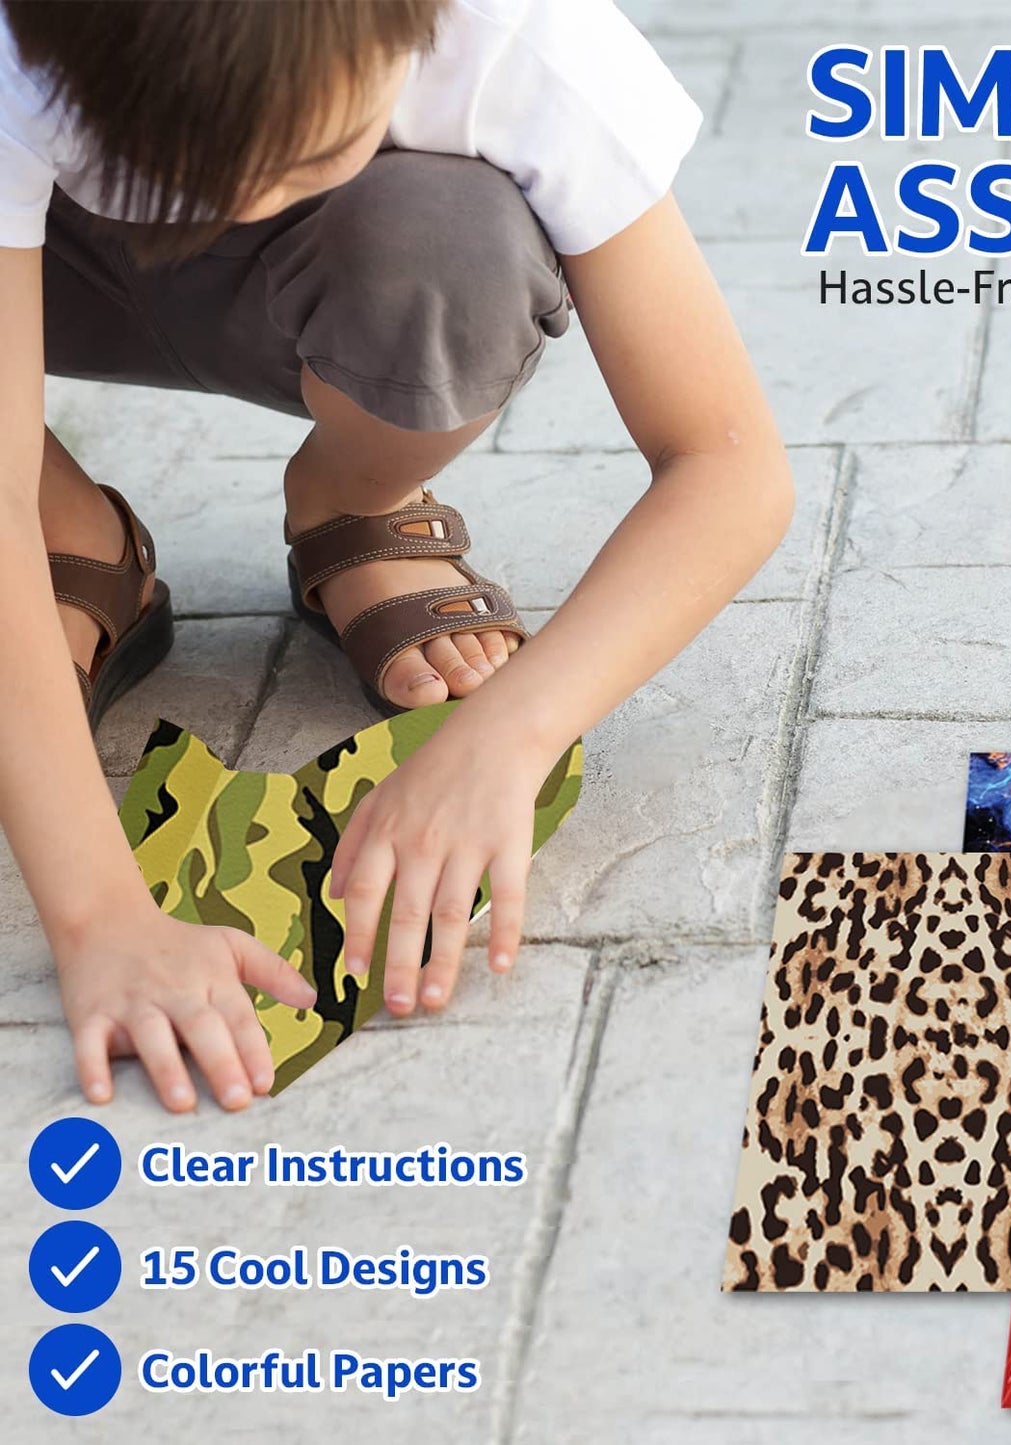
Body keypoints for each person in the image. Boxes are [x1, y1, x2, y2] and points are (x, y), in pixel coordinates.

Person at [0, 0, 793, 1113]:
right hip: (63, 260)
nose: (237, 208)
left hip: (350, 269)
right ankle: (73, 529)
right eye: (192, 178)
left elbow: (727, 463)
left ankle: (349, 495)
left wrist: (505, 736)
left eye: (308, 152)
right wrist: (100, 919)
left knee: (451, 254)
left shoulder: (522, 36)